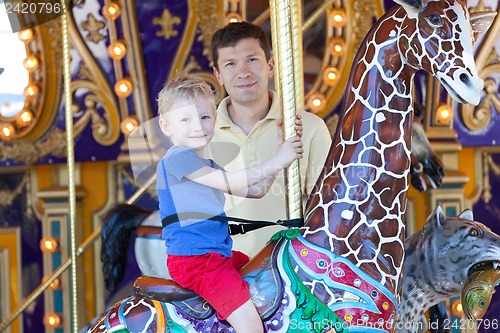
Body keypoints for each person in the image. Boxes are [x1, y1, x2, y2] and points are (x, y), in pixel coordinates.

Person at [156, 74, 303, 333]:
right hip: (198, 261)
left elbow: (256, 189)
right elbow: (233, 182)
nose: (198, 126)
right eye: (185, 119)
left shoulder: (204, 164)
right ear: (166, 127)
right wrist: (278, 160)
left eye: (204, 117)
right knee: (250, 326)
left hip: (215, 255)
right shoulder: (178, 160)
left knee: (263, 272)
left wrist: (278, 147)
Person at [207, 21, 332, 257]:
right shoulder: (201, 134)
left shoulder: (310, 128)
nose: (243, 72)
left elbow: (326, 209)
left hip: (290, 268)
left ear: (271, 65)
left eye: (252, 60)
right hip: (221, 267)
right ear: (218, 75)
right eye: (231, 64)